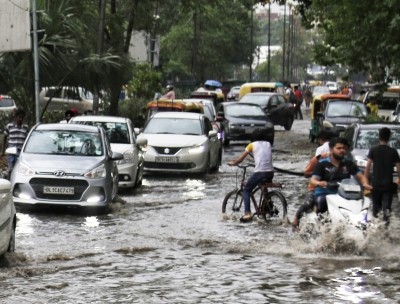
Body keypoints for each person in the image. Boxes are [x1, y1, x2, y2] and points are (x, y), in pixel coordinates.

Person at [310, 137, 371, 214]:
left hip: (345, 194)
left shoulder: (349, 163)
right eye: (339, 148)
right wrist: (319, 183)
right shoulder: (322, 163)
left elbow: (360, 176)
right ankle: (320, 224)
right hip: (325, 193)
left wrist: (365, 184)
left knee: (362, 203)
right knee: (321, 202)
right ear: (331, 149)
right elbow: (313, 180)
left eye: (344, 148)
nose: (342, 150)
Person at [228, 128, 274, 222]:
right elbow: (263, 156)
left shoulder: (251, 145)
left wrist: (234, 163)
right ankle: (267, 205)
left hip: (260, 172)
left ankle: (247, 213)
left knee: (246, 190)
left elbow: (240, 159)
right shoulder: (268, 144)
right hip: (270, 172)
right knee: (262, 185)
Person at [292, 130, 334, 230]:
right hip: (317, 188)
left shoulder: (345, 162)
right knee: (309, 202)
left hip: (334, 190)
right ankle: (296, 219)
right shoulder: (320, 158)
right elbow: (308, 171)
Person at [364, 127, 400, 224]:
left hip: (375, 184)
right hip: (388, 184)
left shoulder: (373, 150)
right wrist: (399, 181)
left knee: (376, 208)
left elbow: (367, 167)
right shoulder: (393, 151)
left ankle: (376, 227)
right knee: (387, 208)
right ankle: (386, 228)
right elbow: (398, 167)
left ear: (379, 137)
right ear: (389, 138)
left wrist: (366, 181)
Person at [4, 108, 29, 177]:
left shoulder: (25, 127)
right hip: (11, 151)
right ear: (16, 117)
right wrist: (3, 150)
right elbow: (5, 137)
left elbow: (27, 140)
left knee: (19, 169)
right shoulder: (9, 126)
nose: (20, 119)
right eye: (19, 117)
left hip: (20, 151)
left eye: (22, 117)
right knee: (10, 169)